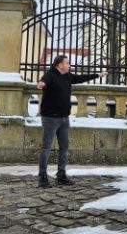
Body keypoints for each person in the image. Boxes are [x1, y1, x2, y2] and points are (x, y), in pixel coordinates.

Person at [36, 55, 106, 188]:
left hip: (64, 118)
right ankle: (42, 177)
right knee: (46, 147)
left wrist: (98, 74)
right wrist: (41, 84)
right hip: (50, 118)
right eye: (67, 63)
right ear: (59, 65)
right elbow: (44, 81)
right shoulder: (50, 75)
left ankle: (61, 175)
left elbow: (81, 78)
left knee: (64, 147)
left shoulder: (67, 76)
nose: (69, 65)